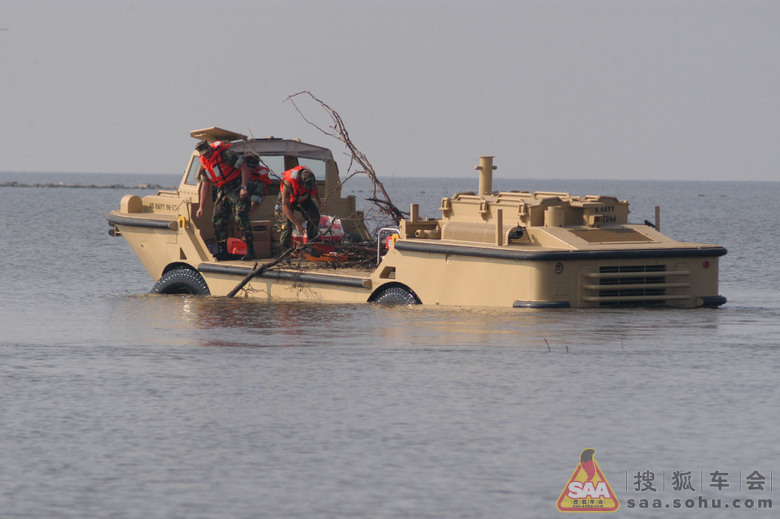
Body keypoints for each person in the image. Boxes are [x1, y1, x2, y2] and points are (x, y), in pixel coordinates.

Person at [194, 139, 255, 260]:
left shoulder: (226, 155)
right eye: (204, 154)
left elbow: (244, 168)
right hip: (223, 188)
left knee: (241, 216)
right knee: (217, 219)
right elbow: (205, 186)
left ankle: (250, 250)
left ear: (210, 148)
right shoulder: (204, 166)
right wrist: (201, 207)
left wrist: (243, 187)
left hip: (237, 184)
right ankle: (223, 251)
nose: (207, 155)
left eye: (208, 152)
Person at [279, 165, 324, 248]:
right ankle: (285, 252)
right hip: (289, 200)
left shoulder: (311, 180)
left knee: (315, 217)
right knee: (287, 226)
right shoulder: (288, 183)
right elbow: (285, 206)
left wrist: (319, 202)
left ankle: (310, 245)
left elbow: (316, 188)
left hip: (303, 198)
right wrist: (297, 223)